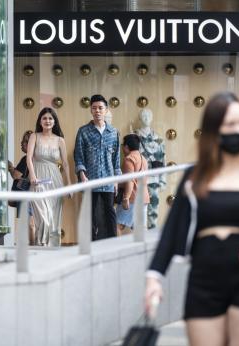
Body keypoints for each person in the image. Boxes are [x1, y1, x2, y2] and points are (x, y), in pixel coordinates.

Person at [145, 92, 239, 346]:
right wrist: (154, 278)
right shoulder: (195, 176)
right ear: (215, 130)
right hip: (205, 280)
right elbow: (171, 231)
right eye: (231, 125)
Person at [74, 94, 121, 240]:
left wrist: (116, 180)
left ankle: (112, 243)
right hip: (90, 180)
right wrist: (82, 175)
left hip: (108, 180)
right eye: (94, 108)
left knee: (110, 213)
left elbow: (116, 159)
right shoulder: (83, 131)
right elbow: (79, 156)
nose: (97, 111)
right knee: (90, 214)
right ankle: (90, 245)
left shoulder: (113, 133)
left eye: (100, 108)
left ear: (106, 110)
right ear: (90, 110)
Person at [26, 108, 72, 247]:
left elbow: (65, 163)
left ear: (54, 121)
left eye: (50, 118)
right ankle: (41, 246)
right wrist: (32, 176)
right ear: (40, 121)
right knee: (43, 218)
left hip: (55, 180)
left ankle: (52, 251)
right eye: (44, 118)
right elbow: (28, 158)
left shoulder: (60, 140)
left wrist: (69, 184)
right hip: (38, 180)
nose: (47, 121)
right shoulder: (35, 136)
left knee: (53, 219)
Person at [134, 108, 166, 229]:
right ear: (139, 118)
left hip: (154, 180)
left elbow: (163, 160)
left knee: (153, 211)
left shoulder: (159, 139)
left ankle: (152, 237)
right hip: (139, 180)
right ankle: (140, 239)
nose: (146, 117)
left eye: (149, 115)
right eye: (144, 115)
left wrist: (162, 180)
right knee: (139, 212)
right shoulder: (134, 138)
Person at [116, 134, 150, 236]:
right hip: (144, 198)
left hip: (132, 199)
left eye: (123, 145)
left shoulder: (129, 159)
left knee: (117, 225)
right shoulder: (143, 158)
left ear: (126, 147)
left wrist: (125, 198)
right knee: (140, 230)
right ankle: (145, 251)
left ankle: (116, 250)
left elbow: (129, 181)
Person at [8, 130, 35, 243]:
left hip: (24, 195)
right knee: (30, 222)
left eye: (24, 141)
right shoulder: (34, 158)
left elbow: (16, 175)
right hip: (30, 195)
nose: (21, 143)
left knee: (27, 223)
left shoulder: (26, 159)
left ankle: (30, 247)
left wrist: (10, 167)